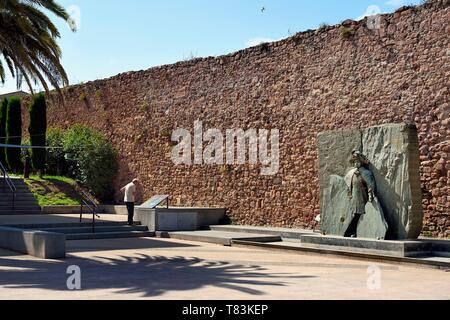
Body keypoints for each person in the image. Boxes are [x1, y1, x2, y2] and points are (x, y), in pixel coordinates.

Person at [344, 150, 376, 238]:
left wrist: (370, 195)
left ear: (361, 162)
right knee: (353, 215)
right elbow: (346, 185)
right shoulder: (350, 173)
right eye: (354, 161)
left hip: (362, 198)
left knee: (359, 216)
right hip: (352, 198)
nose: (355, 163)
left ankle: (355, 232)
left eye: (357, 161)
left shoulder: (366, 173)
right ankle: (351, 231)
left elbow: (370, 185)